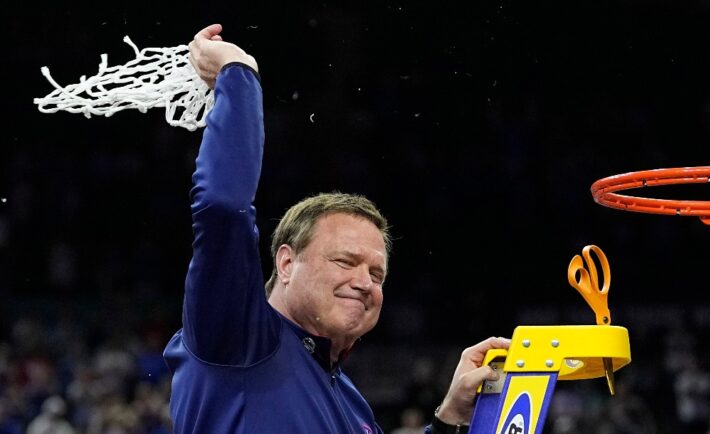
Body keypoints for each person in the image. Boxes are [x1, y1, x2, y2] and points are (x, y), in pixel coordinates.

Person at [163, 24, 510, 433]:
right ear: (287, 263)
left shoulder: (352, 403)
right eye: (346, 261)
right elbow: (222, 207)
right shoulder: (238, 336)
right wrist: (239, 73)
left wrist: (449, 419)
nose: (365, 282)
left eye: (376, 273)